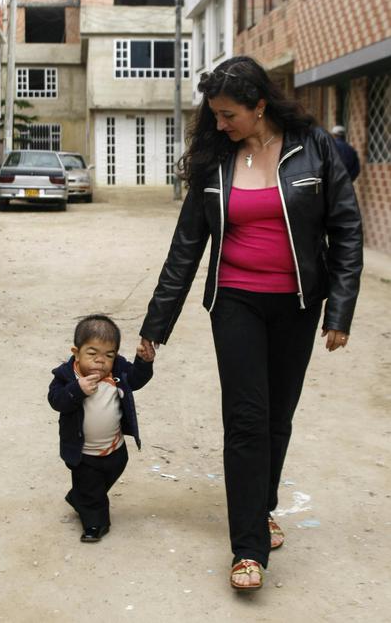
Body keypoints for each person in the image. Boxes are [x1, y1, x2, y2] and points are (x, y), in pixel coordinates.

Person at [139, 56, 363, 591]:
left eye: (228, 114)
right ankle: (248, 550)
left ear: (259, 106)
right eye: (214, 114)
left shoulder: (314, 147)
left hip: (298, 304)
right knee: (246, 419)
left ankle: (261, 508)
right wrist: (155, 324)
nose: (219, 124)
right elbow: (186, 247)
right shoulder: (214, 160)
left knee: (277, 418)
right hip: (235, 301)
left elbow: (346, 229)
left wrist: (340, 310)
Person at [48, 314, 154, 543]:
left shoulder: (117, 370)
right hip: (84, 453)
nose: (100, 361)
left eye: (108, 355)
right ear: (76, 352)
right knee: (92, 490)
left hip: (115, 447)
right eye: (92, 354)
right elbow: (56, 401)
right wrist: (77, 390)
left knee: (105, 477)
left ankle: (80, 496)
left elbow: (136, 380)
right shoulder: (66, 376)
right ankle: (95, 524)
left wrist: (143, 362)